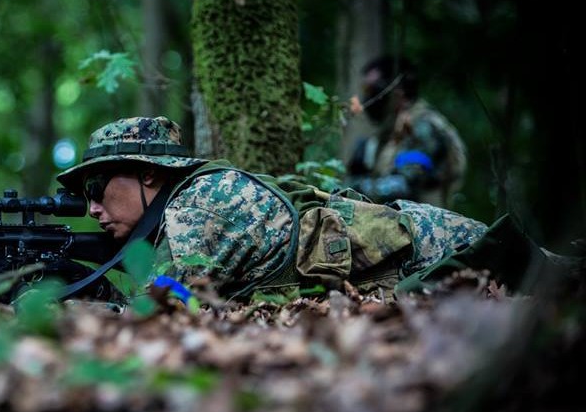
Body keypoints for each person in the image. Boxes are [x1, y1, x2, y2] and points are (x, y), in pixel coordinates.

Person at [56, 116, 525, 301]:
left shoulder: (197, 205)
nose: (92, 206)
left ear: (149, 174)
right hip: (421, 249)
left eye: (97, 186)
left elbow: (165, 308)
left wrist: (79, 293)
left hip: (438, 248)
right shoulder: (184, 206)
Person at [345, 56, 467, 208]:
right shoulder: (390, 133)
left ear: (398, 92)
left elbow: (405, 185)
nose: (368, 98)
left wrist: (352, 188)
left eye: (373, 89)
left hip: (425, 227)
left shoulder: (423, 127)